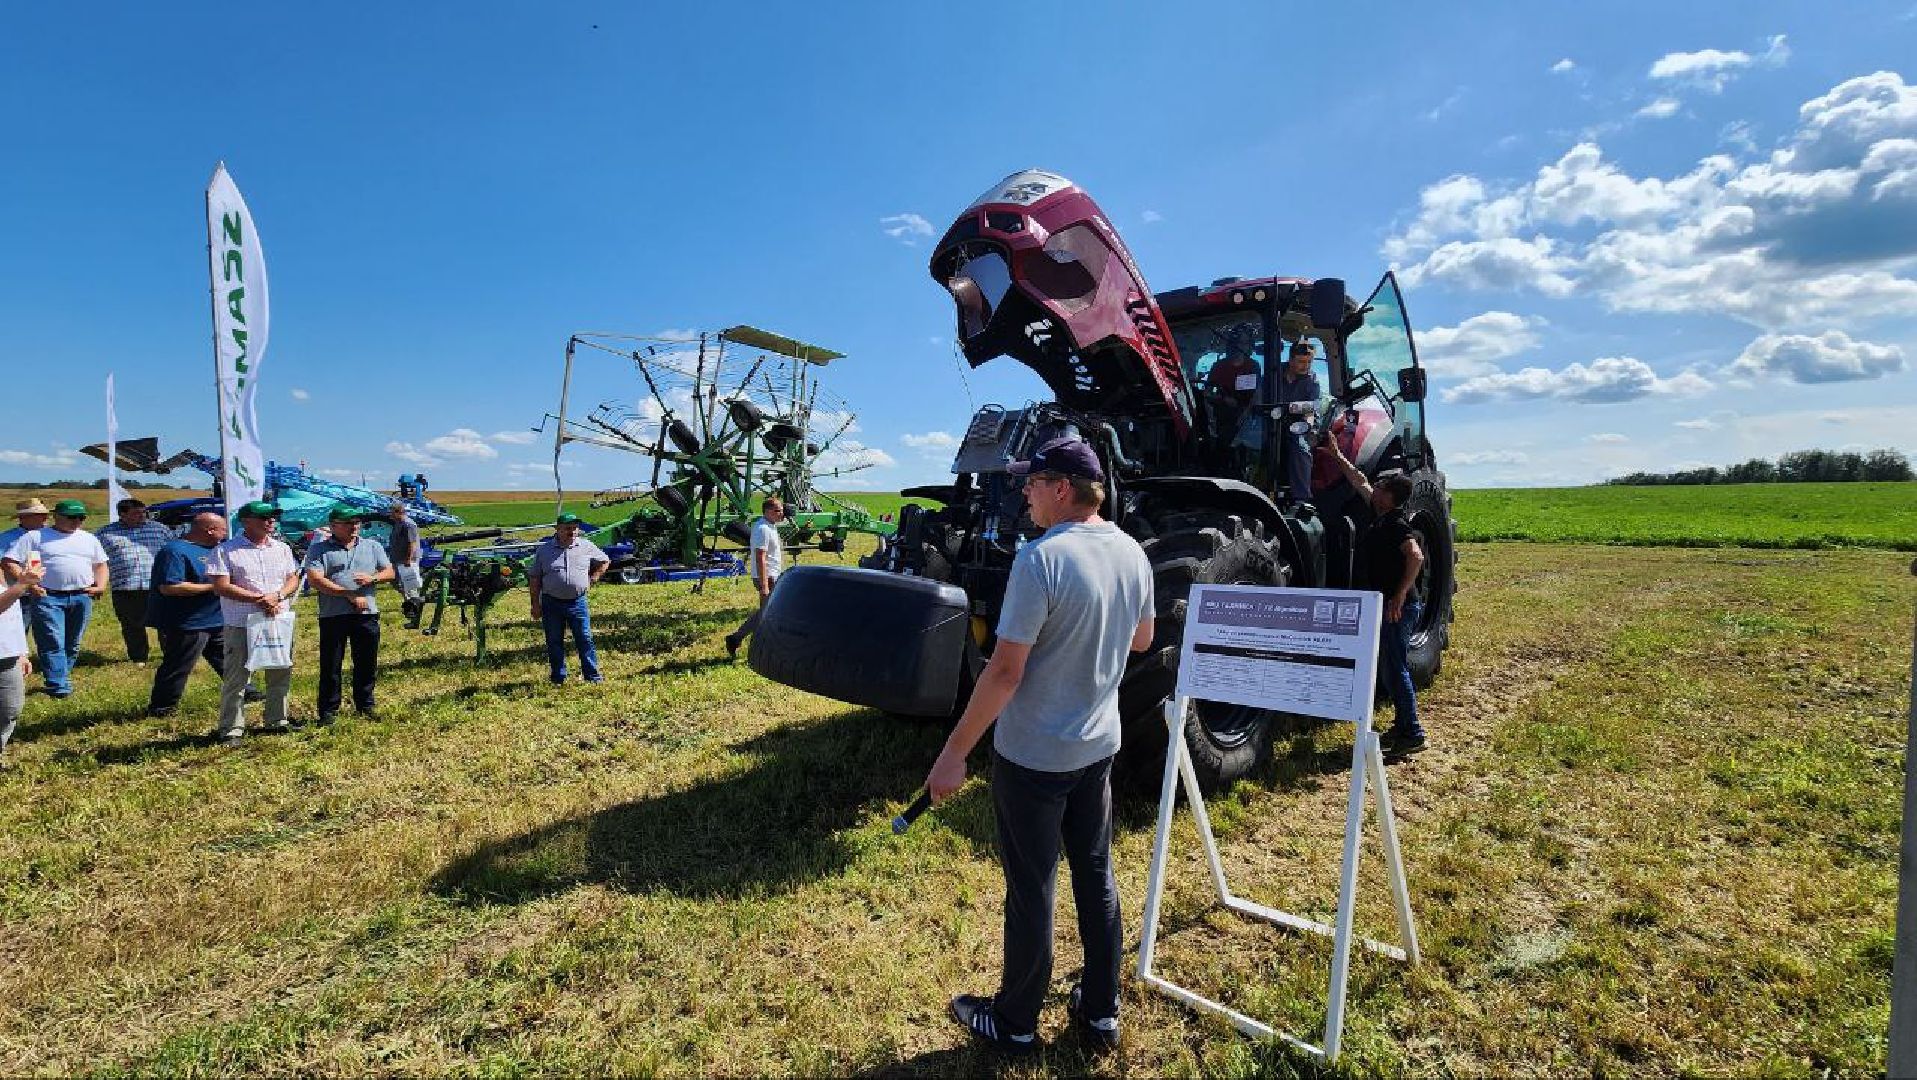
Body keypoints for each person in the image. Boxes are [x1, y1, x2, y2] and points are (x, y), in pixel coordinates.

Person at [926, 436, 1154, 1056]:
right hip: (1097, 748)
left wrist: (954, 754)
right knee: (1096, 874)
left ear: (1061, 489)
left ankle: (1017, 1020)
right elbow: (1142, 640)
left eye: (1031, 483)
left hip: (1034, 757)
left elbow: (1004, 672)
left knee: (1032, 888)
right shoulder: (1133, 553)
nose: (1022, 493)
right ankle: (1101, 1011)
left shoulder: (1040, 559)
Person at [1320, 440, 1427, 754]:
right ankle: (1403, 726)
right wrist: (1337, 455)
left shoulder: (1396, 525)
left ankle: (1412, 733)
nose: (1374, 490)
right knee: (1389, 666)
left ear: (1390, 497)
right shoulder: (1379, 515)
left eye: (1381, 488)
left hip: (1400, 608)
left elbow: (1416, 557)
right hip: (1388, 604)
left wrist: (1399, 595)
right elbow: (1360, 481)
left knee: (1396, 667)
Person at [205, 501, 301, 745]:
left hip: (277, 619)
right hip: (242, 622)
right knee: (237, 677)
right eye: (264, 518)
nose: (270, 521)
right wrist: (259, 599)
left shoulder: (281, 548)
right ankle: (231, 729)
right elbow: (221, 586)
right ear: (246, 521)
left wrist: (277, 596)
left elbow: (292, 578)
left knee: (280, 671)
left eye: (272, 517)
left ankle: (277, 720)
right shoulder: (225, 551)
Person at [1, 499, 108, 699]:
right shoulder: (35, 537)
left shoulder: (89, 538)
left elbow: (100, 565)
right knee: (52, 640)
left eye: (81, 518)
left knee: (73, 643)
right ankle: (58, 686)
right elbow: (9, 561)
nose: (77, 521)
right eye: (72, 517)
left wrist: (100, 585)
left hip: (81, 595)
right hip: (48, 596)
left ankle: (61, 675)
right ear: (56, 517)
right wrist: (30, 585)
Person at [304, 507, 394, 722]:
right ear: (334, 526)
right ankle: (328, 711)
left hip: (366, 612)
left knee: (366, 662)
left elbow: (390, 572)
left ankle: (365, 704)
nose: (354, 527)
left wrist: (373, 579)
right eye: (348, 523)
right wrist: (348, 594)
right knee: (331, 664)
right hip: (333, 614)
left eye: (357, 522)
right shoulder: (319, 550)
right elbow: (316, 580)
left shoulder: (372, 546)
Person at [145, 511, 230, 718]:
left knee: (227, 659)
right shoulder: (174, 551)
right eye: (223, 529)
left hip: (215, 618)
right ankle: (162, 707)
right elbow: (170, 587)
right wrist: (214, 587)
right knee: (179, 664)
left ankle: (248, 691)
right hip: (187, 621)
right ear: (209, 530)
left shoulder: (217, 550)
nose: (227, 533)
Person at [527, 512, 608, 685]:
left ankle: (592, 676)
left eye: (574, 528)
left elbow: (604, 560)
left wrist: (593, 578)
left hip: (577, 602)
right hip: (551, 603)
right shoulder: (544, 550)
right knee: (554, 641)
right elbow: (535, 578)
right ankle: (558, 677)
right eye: (567, 529)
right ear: (557, 529)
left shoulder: (586, 546)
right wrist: (535, 604)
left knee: (585, 639)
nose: (572, 532)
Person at [96, 497, 174, 665]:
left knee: (167, 623)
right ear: (122, 514)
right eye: (136, 513)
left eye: (143, 512)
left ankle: (171, 655)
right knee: (131, 625)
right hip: (125, 586)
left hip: (159, 585)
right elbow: (96, 559)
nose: (142, 516)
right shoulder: (105, 533)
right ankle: (139, 657)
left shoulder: (160, 529)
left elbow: (173, 552)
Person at [724, 497, 785, 659]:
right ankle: (752, 645)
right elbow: (760, 557)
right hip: (767, 577)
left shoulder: (770, 526)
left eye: (781, 510)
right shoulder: (763, 529)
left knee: (767, 613)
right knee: (768, 614)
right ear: (767, 511)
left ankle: (737, 639)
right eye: (778, 510)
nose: (781, 514)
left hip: (772, 575)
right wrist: (764, 586)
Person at [0, 560, 43, 768]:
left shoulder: (2, 573)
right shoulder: (17, 584)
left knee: (10, 708)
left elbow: (12, 616)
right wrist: (22, 585)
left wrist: (20, 652)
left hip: (7, 655)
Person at [0, 499, 51, 661]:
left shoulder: (50, 534)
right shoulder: (7, 538)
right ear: (24, 518)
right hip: (18, 592)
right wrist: (29, 585)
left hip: (49, 590)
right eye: (39, 515)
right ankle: (16, 660)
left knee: (48, 629)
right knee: (18, 627)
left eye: (44, 515)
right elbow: (6, 564)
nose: (44, 518)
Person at [1275, 340, 1322, 503]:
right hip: (1269, 419)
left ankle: (1302, 499)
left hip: (1295, 423)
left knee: (1300, 446)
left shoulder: (1311, 380)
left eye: (1309, 362)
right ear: (1290, 360)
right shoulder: (1274, 372)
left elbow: (1311, 410)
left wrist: (1309, 426)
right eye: (1301, 362)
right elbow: (1257, 399)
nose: (1306, 366)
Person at [385, 502, 425, 628]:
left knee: (410, 584)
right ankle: (409, 603)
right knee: (397, 582)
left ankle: (414, 609)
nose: (389, 515)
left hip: (407, 560)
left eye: (391, 512)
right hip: (398, 559)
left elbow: (411, 543)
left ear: (398, 512)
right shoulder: (398, 524)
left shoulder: (409, 524)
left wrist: (408, 559)